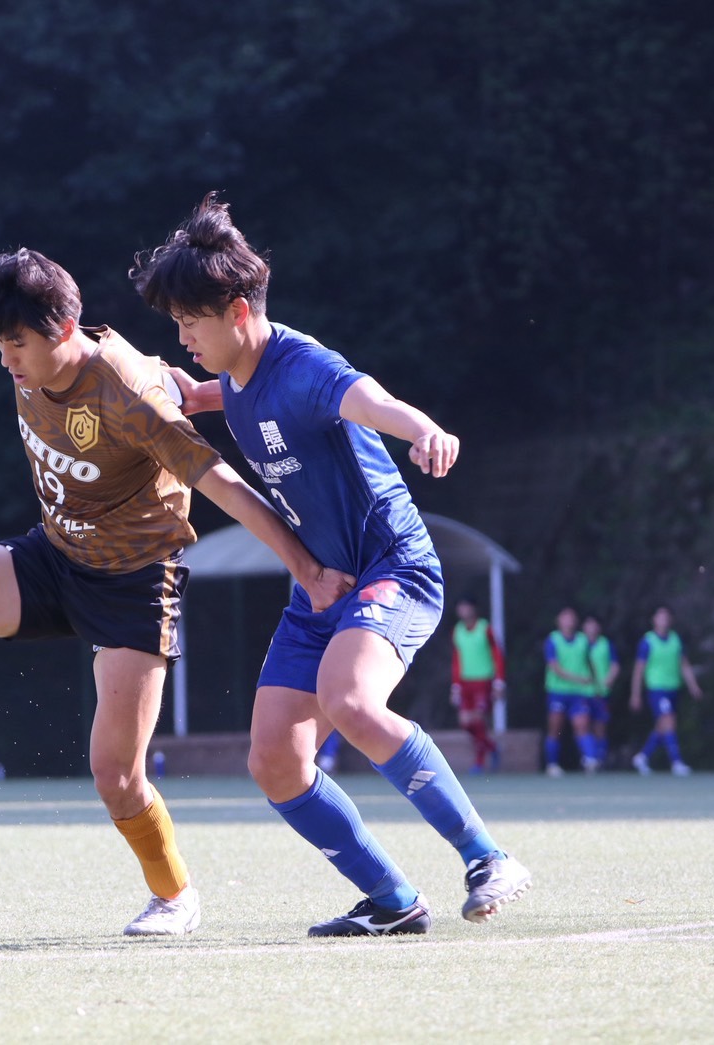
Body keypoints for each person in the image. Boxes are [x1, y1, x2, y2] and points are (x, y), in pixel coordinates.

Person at [0, 248, 349, 937]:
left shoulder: (127, 392)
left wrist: (307, 570)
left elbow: (220, 483)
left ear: (61, 329)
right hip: (56, 555)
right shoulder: (22, 317)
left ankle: (175, 896)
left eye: (16, 345)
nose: (6, 360)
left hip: (134, 581)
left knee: (115, 775)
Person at [130, 194, 530, 938]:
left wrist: (423, 428)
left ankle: (487, 857)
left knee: (349, 700)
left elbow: (367, 398)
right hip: (318, 590)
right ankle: (392, 899)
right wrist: (186, 393)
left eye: (190, 323)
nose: (182, 337)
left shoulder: (304, 364)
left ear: (238, 312)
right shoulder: (237, 374)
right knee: (274, 760)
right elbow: (232, 395)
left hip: (392, 567)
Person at [629, 606, 704, 775]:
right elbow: (639, 670)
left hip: (673, 688)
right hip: (656, 688)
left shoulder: (676, 640)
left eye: (666, 617)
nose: (663, 620)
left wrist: (693, 685)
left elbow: (684, 665)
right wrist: (635, 694)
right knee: (668, 721)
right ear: (654, 620)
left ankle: (643, 756)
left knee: (663, 726)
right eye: (660, 616)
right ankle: (676, 762)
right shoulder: (647, 641)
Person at [449, 597, 505, 773]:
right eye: (461, 607)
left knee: (478, 720)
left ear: (473, 609)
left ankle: (479, 762)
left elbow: (497, 654)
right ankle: (491, 747)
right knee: (465, 723)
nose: (463, 611)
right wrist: (455, 686)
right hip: (465, 682)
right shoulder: (458, 630)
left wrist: (499, 682)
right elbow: (457, 660)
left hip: (483, 681)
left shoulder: (484, 628)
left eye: (466, 607)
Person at [543, 607, 598, 776]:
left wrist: (593, 682)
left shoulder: (582, 640)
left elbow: (589, 662)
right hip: (558, 691)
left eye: (571, 618)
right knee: (556, 728)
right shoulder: (553, 640)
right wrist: (579, 679)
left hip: (578, 693)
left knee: (582, 725)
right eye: (565, 618)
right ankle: (552, 764)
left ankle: (590, 759)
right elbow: (555, 668)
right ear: (558, 621)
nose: (569, 621)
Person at [582, 614, 619, 768]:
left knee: (600, 727)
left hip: (601, 692)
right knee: (583, 725)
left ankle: (600, 758)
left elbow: (615, 665)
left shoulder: (606, 644)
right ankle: (589, 757)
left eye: (594, 624)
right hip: (582, 692)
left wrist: (610, 679)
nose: (591, 628)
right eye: (588, 624)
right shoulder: (579, 643)